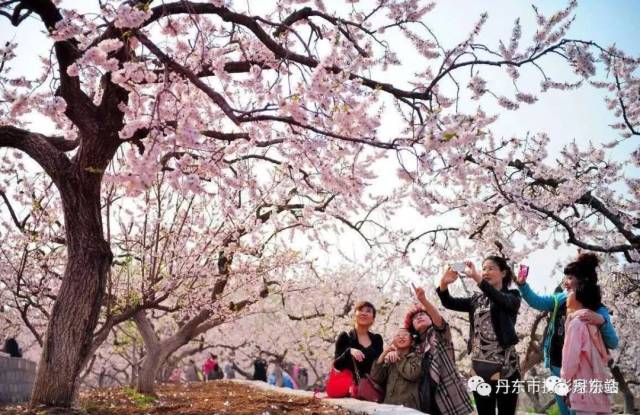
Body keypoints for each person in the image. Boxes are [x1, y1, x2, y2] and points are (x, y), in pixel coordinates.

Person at [516, 253, 618, 415]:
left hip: (582, 371)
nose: (566, 282)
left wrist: (601, 321)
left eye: (570, 278)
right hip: (557, 366)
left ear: (583, 280)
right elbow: (537, 301)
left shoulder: (598, 309)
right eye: (566, 278)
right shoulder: (560, 300)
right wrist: (523, 286)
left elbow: (613, 342)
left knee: (578, 409)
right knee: (566, 410)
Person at [437, 257, 521, 415]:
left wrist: (477, 277)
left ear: (503, 273)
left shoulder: (513, 296)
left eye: (491, 268)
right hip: (479, 368)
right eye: (484, 268)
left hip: (506, 368)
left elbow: (499, 299)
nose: (486, 272)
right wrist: (444, 284)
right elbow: (449, 302)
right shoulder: (476, 299)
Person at [407, 284, 473, 415]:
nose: (419, 317)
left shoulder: (439, 335)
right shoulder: (414, 347)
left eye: (423, 315)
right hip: (426, 401)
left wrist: (424, 301)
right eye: (415, 318)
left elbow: (440, 322)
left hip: (449, 395)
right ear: (412, 326)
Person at [561, 282, 612, 415]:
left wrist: (564, 386)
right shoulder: (590, 322)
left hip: (584, 392)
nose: (567, 294)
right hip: (599, 390)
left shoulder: (577, 324)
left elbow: (570, 361)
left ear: (579, 299)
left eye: (572, 292)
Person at [370, 326, 422, 409]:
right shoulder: (389, 358)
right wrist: (383, 355)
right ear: (393, 341)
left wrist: (398, 358)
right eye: (398, 335)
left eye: (405, 335)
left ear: (412, 341)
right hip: (388, 406)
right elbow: (376, 377)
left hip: (408, 408)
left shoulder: (417, 358)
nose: (401, 337)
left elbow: (413, 374)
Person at [333, 301, 384, 379]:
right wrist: (349, 351)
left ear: (373, 319)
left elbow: (380, 366)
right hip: (349, 388)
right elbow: (337, 365)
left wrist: (388, 354)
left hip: (370, 388)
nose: (364, 313)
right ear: (354, 316)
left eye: (368, 311)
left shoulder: (377, 339)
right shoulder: (345, 337)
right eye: (360, 310)